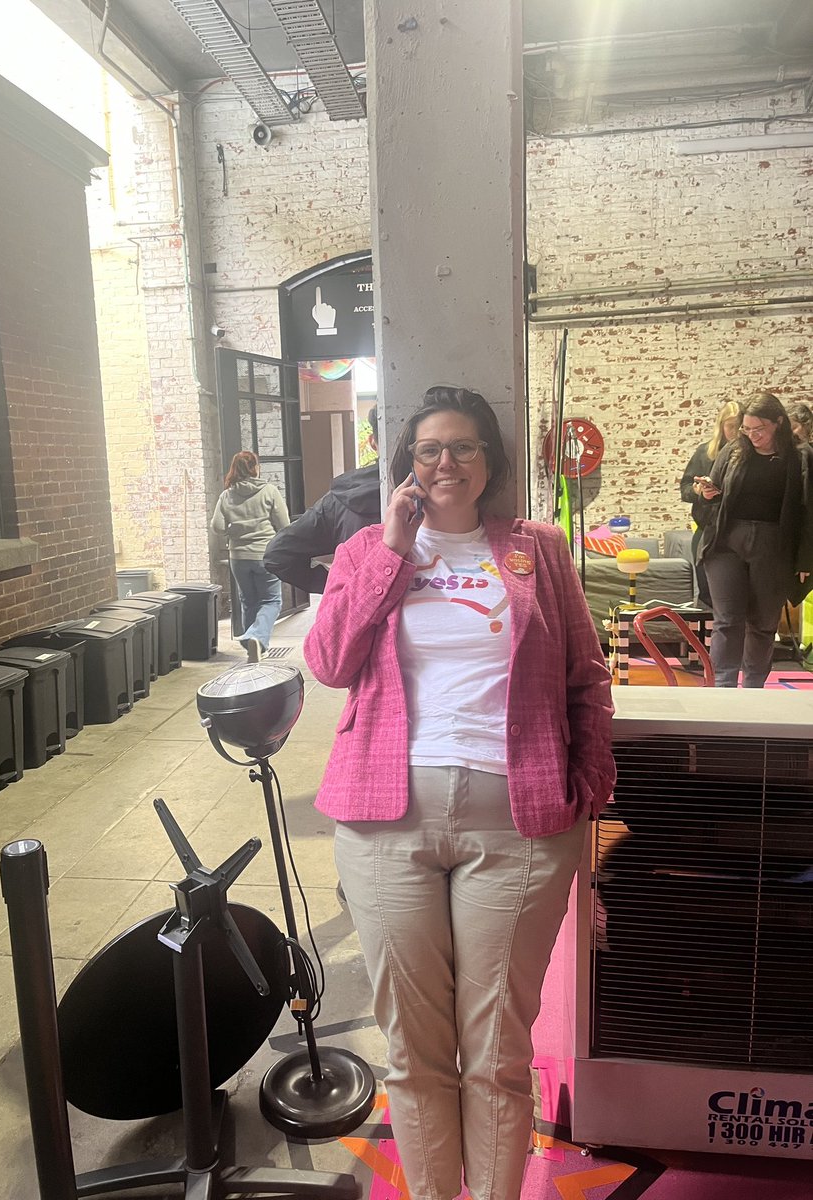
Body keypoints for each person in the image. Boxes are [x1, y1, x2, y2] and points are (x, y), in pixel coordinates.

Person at [304, 386, 615, 1200]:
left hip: (519, 826)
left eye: (464, 447)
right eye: (430, 449)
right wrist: (393, 552)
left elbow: (586, 677)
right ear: (407, 463)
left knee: (498, 1051)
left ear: (491, 462)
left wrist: (589, 787)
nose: (446, 463)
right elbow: (331, 662)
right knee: (413, 1049)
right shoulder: (369, 547)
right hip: (384, 824)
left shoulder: (536, 550)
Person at [696, 391, 813, 688]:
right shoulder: (735, 449)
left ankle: (753, 690)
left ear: (778, 423)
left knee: (762, 624)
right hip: (726, 542)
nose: (751, 435)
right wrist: (707, 492)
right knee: (727, 620)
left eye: (758, 429)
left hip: (773, 543)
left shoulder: (800, 456)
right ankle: (722, 688)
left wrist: (804, 559)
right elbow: (713, 498)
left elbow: (809, 512)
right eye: (746, 429)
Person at [263, 404, 381, 592]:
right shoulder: (434, 495)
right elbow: (277, 555)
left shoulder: (339, 499)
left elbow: (278, 555)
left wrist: (343, 586)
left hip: (359, 613)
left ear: (373, 442)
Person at [211, 450, 289, 661]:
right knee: (272, 601)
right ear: (255, 468)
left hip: (238, 556)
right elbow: (284, 525)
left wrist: (232, 531)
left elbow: (216, 526)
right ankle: (257, 637)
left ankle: (252, 647)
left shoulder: (227, 495)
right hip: (264, 554)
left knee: (248, 601)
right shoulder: (269, 491)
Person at [679, 401, 740, 606]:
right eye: (730, 425)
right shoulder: (706, 452)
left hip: (737, 530)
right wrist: (698, 491)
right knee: (706, 592)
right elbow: (685, 488)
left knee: (734, 596)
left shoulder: (750, 456)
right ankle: (704, 637)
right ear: (721, 426)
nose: (735, 430)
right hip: (708, 528)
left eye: (739, 425)